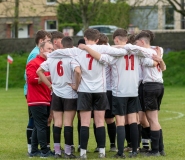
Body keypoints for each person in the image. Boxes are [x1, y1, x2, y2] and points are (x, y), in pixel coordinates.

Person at [78, 28, 162, 158]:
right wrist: (159, 59)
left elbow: (101, 57)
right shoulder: (137, 53)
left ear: (116, 39)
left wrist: (86, 48)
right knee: (133, 121)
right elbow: (151, 62)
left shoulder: (116, 54)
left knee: (120, 122)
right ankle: (134, 150)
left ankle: (121, 152)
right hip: (133, 91)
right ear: (127, 39)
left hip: (119, 92)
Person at [37, 36, 80, 159]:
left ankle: (56, 152)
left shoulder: (52, 58)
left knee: (57, 123)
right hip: (69, 94)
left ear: (61, 46)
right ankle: (67, 151)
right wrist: (76, 85)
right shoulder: (71, 58)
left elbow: (39, 71)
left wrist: (50, 85)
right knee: (68, 123)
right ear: (72, 47)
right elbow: (78, 71)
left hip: (56, 93)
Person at [134, 30, 166, 157]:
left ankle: (155, 150)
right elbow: (163, 67)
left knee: (152, 120)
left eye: (137, 43)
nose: (136, 45)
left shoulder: (144, 54)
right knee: (154, 119)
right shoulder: (157, 50)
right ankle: (161, 148)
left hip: (150, 87)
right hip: (159, 86)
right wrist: (159, 59)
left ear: (142, 42)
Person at [24, 30, 51, 154]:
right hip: (36, 99)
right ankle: (44, 151)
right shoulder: (33, 62)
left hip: (45, 97)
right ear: (41, 49)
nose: (51, 52)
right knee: (41, 126)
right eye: (49, 49)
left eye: (52, 50)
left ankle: (34, 151)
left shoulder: (46, 63)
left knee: (38, 125)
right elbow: (30, 79)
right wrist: (45, 79)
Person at [93, 33, 117, 153]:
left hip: (105, 89)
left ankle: (108, 144)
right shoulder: (112, 51)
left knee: (103, 119)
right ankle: (108, 145)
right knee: (104, 119)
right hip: (106, 89)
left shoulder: (103, 53)